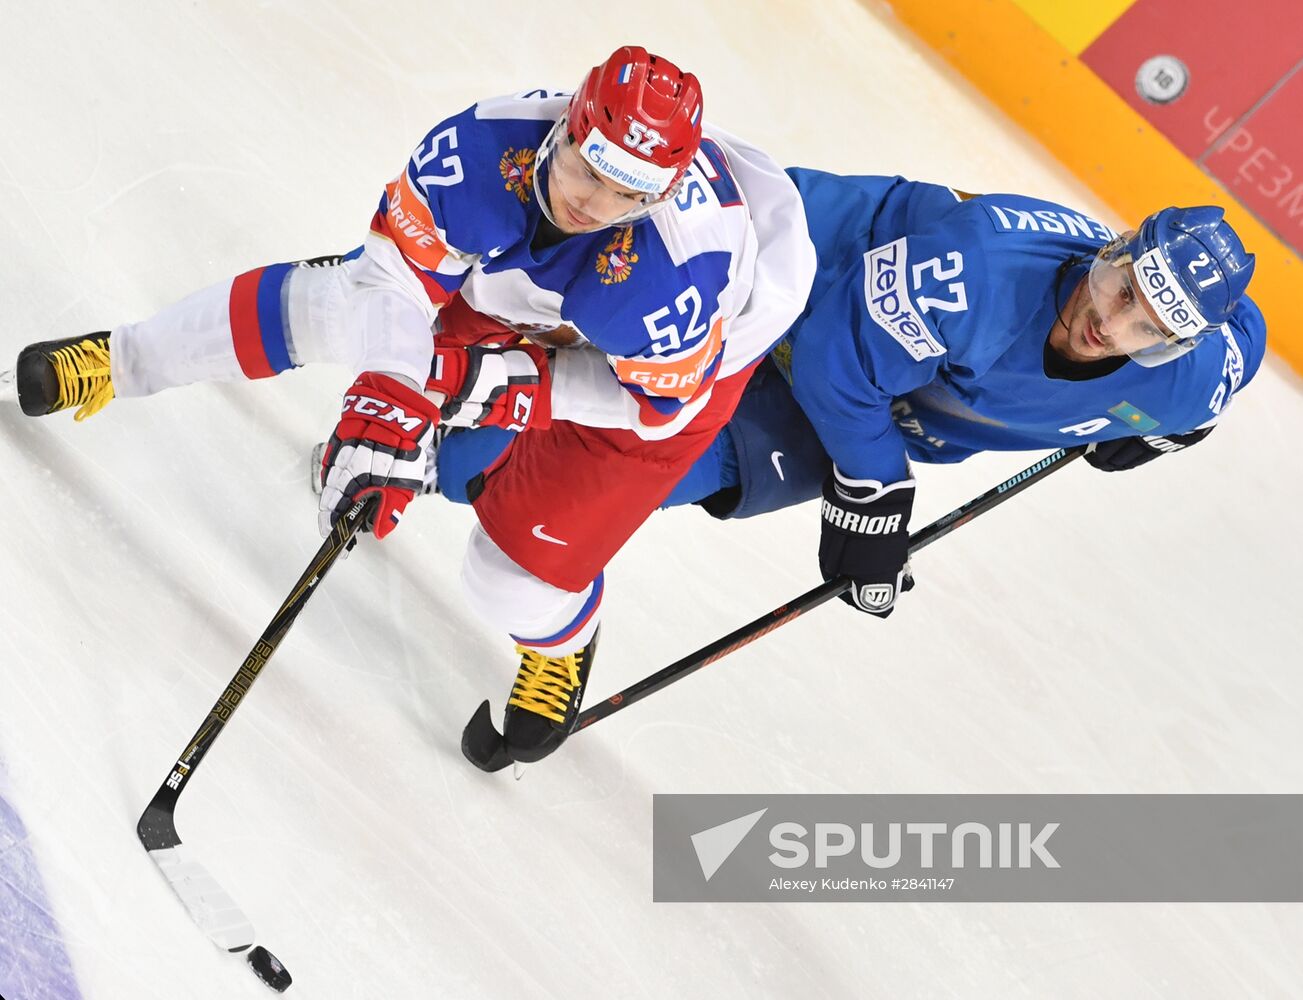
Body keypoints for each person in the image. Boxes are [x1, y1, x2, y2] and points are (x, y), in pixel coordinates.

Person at [12, 46, 817, 764]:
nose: (591, 205)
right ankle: (122, 359)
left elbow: (654, 413)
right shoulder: (480, 151)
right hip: (533, 289)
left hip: (672, 378)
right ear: (565, 126)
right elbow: (389, 283)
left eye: (624, 195)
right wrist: (391, 399)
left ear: (658, 198)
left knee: (511, 580)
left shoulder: (669, 281)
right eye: (584, 168)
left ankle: (562, 637)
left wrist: (517, 385)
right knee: (331, 306)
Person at [429, 172, 1266, 619]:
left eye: (1147, 328)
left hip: (846, 396)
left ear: (1176, 349)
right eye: (1122, 288)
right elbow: (836, 354)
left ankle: (448, 473)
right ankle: (402, 418)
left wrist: (1164, 435)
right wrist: (875, 487)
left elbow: (1246, 342)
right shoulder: (979, 271)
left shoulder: (1186, 383)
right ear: (1114, 249)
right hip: (783, 281)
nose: (1110, 324)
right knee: (535, 351)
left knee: (581, 476)